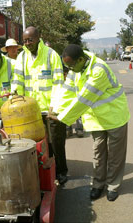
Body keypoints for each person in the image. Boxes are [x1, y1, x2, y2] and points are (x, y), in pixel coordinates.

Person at [50, 44, 130, 201]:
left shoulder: (99, 70)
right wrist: (57, 109)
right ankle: (98, 184)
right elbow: (68, 91)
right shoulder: (75, 66)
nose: (70, 69)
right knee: (98, 154)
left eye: (71, 65)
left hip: (114, 116)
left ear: (81, 59)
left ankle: (113, 185)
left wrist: (62, 118)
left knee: (115, 154)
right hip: (96, 119)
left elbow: (84, 99)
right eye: (68, 66)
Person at [11, 26, 68, 185]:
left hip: (51, 108)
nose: (28, 43)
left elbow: (58, 82)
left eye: (30, 40)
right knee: (38, 142)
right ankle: (44, 170)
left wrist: (54, 106)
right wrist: (17, 100)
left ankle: (61, 171)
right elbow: (18, 81)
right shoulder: (22, 57)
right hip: (32, 110)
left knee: (56, 141)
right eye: (25, 41)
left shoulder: (51, 55)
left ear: (38, 38)